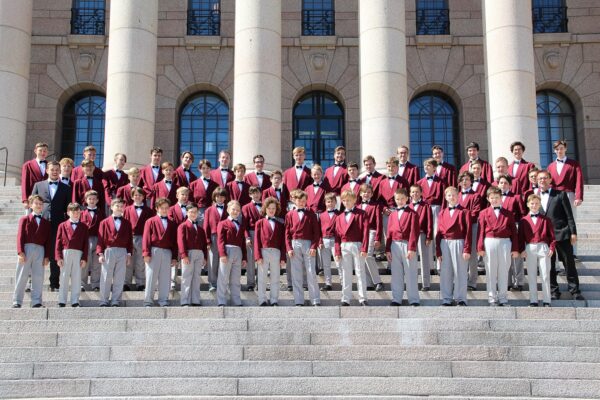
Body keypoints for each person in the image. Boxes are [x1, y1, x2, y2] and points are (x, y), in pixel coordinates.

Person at [535, 170, 583, 300]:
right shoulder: (534, 198)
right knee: (549, 265)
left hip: (562, 234)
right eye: (540, 178)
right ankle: (554, 291)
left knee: (569, 263)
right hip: (545, 238)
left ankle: (575, 290)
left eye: (545, 178)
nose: (542, 180)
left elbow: (569, 215)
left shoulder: (560, 194)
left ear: (550, 180)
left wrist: (573, 232)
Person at [32, 161, 72, 292]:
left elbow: (68, 209)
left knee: (55, 255)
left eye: (57, 169)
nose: (54, 171)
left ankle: (54, 283)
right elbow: (33, 204)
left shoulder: (66, 188)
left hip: (58, 225)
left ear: (60, 171)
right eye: (52, 169)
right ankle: (32, 282)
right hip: (40, 224)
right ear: (47, 171)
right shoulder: (38, 185)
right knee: (36, 253)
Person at [477, 187, 519, 306]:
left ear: (501, 198)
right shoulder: (483, 213)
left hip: (505, 242)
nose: (494, 200)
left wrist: (515, 248)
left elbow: (514, 233)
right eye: (492, 198)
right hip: (489, 241)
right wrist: (480, 247)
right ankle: (492, 298)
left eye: (497, 197)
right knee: (490, 270)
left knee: (504, 270)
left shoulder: (509, 214)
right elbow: (480, 232)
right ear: (488, 199)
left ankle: (503, 298)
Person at [13, 195, 52, 308]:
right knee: (22, 275)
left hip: (40, 250)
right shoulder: (24, 219)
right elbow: (20, 236)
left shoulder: (46, 223)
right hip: (27, 248)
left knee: (38, 276)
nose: (39, 206)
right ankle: (17, 301)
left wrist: (47, 256)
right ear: (30, 205)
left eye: (40, 204)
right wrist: (20, 252)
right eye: (36, 203)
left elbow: (48, 241)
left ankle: (36, 301)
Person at [547, 139, 584, 255]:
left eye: (561, 148)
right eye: (557, 149)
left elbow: (579, 181)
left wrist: (578, 197)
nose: (559, 151)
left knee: (571, 222)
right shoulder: (551, 166)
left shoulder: (574, 164)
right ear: (554, 151)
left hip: (569, 194)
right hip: (555, 196)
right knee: (556, 222)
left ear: (566, 149)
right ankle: (557, 251)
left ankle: (574, 252)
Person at [436, 186, 472, 306]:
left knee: (460, 271)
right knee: (445, 272)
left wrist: (467, 249)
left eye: (454, 195)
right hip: (445, 243)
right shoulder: (442, 213)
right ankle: (446, 298)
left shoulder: (464, 211)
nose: (452, 197)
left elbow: (468, 231)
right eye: (449, 195)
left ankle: (461, 298)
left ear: (458, 196)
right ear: (446, 198)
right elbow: (439, 232)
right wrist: (438, 250)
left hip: (459, 241)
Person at [285, 189, 321, 306]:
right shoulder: (289, 214)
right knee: (296, 273)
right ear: (294, 200)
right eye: (299, 200)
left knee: (311, 272)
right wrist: (289, 248)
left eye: (303, 201)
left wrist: (314, 246)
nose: (301, 203)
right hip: (295, 244)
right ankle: (298, 300)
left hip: (308, 244)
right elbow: (287, 233)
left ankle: (315, 300)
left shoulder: (311, 214)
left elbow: (316, 232)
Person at [519, 194, 556, 307]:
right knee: (531, 274)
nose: (534, 205)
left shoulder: (546, 220)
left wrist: (552, 247)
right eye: (532, 203)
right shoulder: (523, 220)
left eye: (536, 203)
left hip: (543, 247)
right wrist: (521, 249)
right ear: (528, 205)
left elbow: (552, 236)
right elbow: (520, 237)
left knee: (545, 274)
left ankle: (547, 300)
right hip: (530, 247)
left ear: (540, 204)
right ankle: (533, 300)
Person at [334, 189, 369, 306]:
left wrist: (364, 248)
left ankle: (362, 298)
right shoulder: (339, 217)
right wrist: (337, 251)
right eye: (344, 200)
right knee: (345, 273)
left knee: (360, 272)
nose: (346, 202)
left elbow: (365, 232)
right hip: (344, 245)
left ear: (354, 200)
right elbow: (337, 236)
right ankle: (345, 298)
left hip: (357, 244)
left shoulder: (361, 213)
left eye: (348, 200)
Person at [385, 188, 420, 306]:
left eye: (402, 199)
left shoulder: (412, 213)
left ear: (407, 199)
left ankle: (414, 299)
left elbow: (414, 232)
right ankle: (396, 298)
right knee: (396, 273)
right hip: (394, 244)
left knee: (410, 272)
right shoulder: (392, 214)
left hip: (407, 244)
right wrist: (387, 248)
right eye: (397, 199)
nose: (399, 201)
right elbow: (389, 232)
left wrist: (412, 248)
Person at [96, 198, 133, 307]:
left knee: (119, 277)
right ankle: (103, 300)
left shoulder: (127, 223)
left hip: (122, 251)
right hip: (109, 250)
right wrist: (100, 253)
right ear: (112, 207)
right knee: (106, 276)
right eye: (117, 206)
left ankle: (116, 300)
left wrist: (129, 254)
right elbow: (100, 239)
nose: (120, 208)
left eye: (122, 206)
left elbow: (130, 240)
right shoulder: (104, 222)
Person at [142, 198, 178, 307]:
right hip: (154, 250)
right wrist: (146, 253)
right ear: (157, 208)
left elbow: (175, 241)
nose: (164, 210)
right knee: (151, 276)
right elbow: (146, 238)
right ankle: (148, 300)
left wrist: (174, 257)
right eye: (162, 208)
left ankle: (163, 300)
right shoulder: (150, 221)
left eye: (167, 208)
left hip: (167, 252)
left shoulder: (172, 223)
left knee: (165, 277)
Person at [254, 197, 287, 306]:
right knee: (262, 276)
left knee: (275, 277)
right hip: (264, 251)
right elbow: (257, 241)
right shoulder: (260, 223)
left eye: (273, 208)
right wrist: (258, 256)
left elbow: (283, 242)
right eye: (269, 208)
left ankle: (274, 299)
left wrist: (283, 257)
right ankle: (262, 299)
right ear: (265, 209)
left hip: (276, 252)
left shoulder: (280, 224)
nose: (271, 210)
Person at [55, 203, 89, 307]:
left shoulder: (84, 226)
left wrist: (84, 258)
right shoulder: (62, 225)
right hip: (66, 252)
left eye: (78, 212)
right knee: (64, 277)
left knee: (77, 277)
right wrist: (58, 257)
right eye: (73, 212)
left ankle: (75, 300)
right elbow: (58, 242)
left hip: (78, 253)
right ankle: (62, 300)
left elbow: (85, 244)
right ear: (68, 212)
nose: (76, 214)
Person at [496, 174, 526, 291]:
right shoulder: (495, 198)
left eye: (506, 183)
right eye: (501, 183)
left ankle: (519, 282)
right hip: (501, 230)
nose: (503, 185)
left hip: (515, 227)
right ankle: (507, 282)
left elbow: (522, 213)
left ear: (510, 185)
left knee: (516, 256)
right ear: (498, 184)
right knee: (504, 257)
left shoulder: (516, 197)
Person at [216, 200, 247, 306]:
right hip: (227, 250)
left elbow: (243, 242)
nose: (235, 211)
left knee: (236, 278)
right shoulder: (222, 223)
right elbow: (220, 240)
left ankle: (236, 300)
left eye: (238, 210)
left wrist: (244, 257)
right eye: (233, 209)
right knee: (223, 277)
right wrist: (222, 254)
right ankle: (221, 300)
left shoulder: (241, 225)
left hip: (238, 252)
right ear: (228, 210)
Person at [177, 202, 208, 307]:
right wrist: (184, 255)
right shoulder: (183, 226)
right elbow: (181, 241)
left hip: (199, 254)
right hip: (188, 253)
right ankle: (185, 300)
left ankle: (195, 300)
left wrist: (205, 257)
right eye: (191, 212)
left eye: (195, 212)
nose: (193, 214)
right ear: (187, 213)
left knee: (196, 277)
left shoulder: (200, 229)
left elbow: (204, 244)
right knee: (186, 277)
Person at [123, 187, 152, 291]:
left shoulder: (148, 210)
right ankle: (126, 282)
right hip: (130, 236)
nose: (137, 197)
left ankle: (140, 283)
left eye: (140, 195)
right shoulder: (127, 209)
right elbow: (124, 225)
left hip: (143, 237)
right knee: (128, 261)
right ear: (131, 197)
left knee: (140, 261)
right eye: (135, 195)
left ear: (143, 197)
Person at [457, 171, 482, 291]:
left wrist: (462, 219)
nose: (464, 182)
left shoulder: (475, 196)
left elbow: (475, 212)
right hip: (458, 228)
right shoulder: (456, 195)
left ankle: (472, 282)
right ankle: (461, 280)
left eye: (467, 179)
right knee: (460, 254)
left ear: (471, 181)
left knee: (471, 255)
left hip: (471, 226)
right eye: (462, 179)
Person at [358, 184, 384, 292]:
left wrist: (378, 237)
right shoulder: (357, 206)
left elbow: (379, 222)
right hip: (360, 234)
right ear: (360, 194)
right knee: (362, 257)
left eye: (369, 192)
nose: (366, 194)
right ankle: (368, 283)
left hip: (371, 232)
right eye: (364, 192)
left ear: (372, 194)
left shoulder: (375, 205)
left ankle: (378, 281)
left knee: (368, 255)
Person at [409, 184, 433, 291]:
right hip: (410, 236)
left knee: (424, 259)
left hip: (422, 234)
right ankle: (413, 282)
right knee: (411, 259)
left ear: (421, 193)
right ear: (410, 194)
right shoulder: (407, 206)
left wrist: (429, 236)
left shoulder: (426, 205)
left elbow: (429, 221)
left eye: (417, 192)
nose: (415, 194)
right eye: (413, 192)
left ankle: (426, 283)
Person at [203, 188, 229, 292]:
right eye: (218, 196)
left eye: (222, 196)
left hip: (226, 237)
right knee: (213, 260)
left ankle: (223, 283)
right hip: (213, 236)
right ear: (214, 197)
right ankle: (212, 283)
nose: (220, 198)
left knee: (225, 260)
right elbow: (206, 226)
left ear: (225, 198)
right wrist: (207, 240)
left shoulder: (228, 208)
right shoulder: (209, 210)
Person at [79, 190, 105, 292]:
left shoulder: (101, 213)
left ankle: (96, 284)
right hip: (85, 239)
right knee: (84, 262)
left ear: (97, 200)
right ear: (86, 200)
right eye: (90, 199)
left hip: (98, 239)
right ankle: (82, 283)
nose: (92, 200)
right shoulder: (81, 213)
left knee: (96, 263)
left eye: (94, 199)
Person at [242, 186, 264, 291]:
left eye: (258, 192)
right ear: (250, 194)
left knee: (262, 259)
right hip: (251, 233)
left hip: (263, 235)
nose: (256, 195)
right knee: (250, 260)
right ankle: (250, 283)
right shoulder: (246, 207)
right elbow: (244, 225)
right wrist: (247, 237)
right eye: (253, 193)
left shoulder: (265, 206)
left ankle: (261, 283)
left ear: (261, 194)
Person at [318, 192, 340, 291]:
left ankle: (343, 282)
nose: (330, 204)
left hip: (335, 240)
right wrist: (319, 242)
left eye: (332, 202)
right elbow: (318, 230)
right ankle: (328, 283)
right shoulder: (322, 215)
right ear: (325, 203)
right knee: (326, 264)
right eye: (328, 202)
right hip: (324, 240)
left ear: (336, 202)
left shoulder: (339, 214)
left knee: (339, 262)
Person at [189, 159, 218, 227]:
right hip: (198, 212)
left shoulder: (216, 185)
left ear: (210, 169)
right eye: (203, 168)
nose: (206, 170)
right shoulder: (193, 184)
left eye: (208, 168)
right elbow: (190, 200)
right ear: (199, 169)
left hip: (212, 211)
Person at [21, 142, 49, 209]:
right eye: (40, 150)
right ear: (35, 151)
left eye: (44, 151)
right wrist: (25, 200)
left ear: (47, 152)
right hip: (32, 199)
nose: (42, 153)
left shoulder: (50, 165)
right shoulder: (27, 165)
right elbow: (24, 183)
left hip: (46, 199)